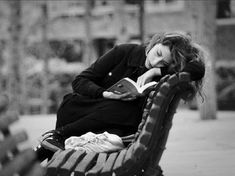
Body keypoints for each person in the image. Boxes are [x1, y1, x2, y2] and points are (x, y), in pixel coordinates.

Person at [35, 32, 206, 161]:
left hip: (117, 125)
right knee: (122, 107)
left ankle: (53, 144)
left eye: (163, 64)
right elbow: (80, 81)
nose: (155, 62)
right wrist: (104, 93)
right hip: (83, 111)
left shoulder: (159, 72)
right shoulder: (124, 52)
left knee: (127, 109)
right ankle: (57, 138)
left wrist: (157, 71)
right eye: (158, 54)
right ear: (157, 41)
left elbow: (198, 69)